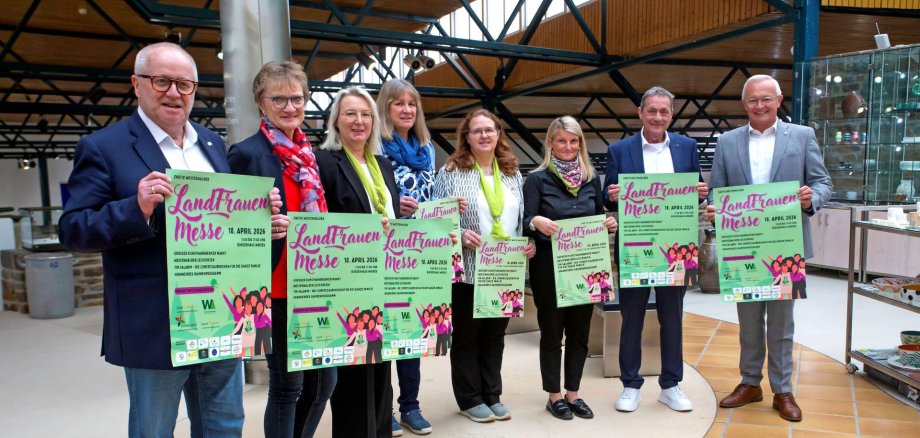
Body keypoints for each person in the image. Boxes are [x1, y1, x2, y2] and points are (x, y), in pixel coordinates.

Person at [58, 42, 287, 438]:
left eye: (185, 84)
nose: (174, 93)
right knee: (154, 429)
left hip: (222, 315)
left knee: (225, 425)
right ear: (137, 84)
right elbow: (74, 228)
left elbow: (223, 228)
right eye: (162, 81)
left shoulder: (212, 145)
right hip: (154, 322)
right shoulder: (104, 147)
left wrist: (258, 222)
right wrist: (137, 207)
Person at [704, 74, 832, 422]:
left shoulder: (802, 136)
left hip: (784, 247)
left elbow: (822, 182)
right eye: (752, 100)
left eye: (765, 99)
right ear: (744, 105)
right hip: (743, 247)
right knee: (747, 322)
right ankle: (749, 382)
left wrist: (810, 199)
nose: (759, 106)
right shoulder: (728, 141)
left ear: (778, 100)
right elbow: (717, 190)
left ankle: (782, 389)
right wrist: (715, 208)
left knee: (781, 323)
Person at [227, 60, 335, 438]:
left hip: (315, 284)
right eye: (279, 99)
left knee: (325, 382)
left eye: (297, 98)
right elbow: (229, 224)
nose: (290, 107)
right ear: (261, 103)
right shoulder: (246, 153)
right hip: (275, 289)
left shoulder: (312, 157)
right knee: (288, 385)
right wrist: (261, 222)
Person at [603, 86, 708, 413]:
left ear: (671, 114)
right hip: (636, 246)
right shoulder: (620, 150)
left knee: (672, 318)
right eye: (652, 111)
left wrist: (702, 193)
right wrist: (613, 194)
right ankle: (630, 384)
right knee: (631, 317)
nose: (658, 117)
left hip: (676, 247)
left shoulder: (687, 147)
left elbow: (696, 194)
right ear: (640, 113)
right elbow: (606, 196)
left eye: (664, 111)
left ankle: (671, 384)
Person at [432, 109, 536, 423]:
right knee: (467, 336)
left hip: (504, 270)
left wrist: (526, 241)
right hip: (468, 269)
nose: (483, 136)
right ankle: (469, 398)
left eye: (489, 130)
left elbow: (519, 218)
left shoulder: (512, 172)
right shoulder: (451, 171)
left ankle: (492, 394)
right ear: (466, 137)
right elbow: (437, 218)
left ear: (498, 133)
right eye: (476, 131)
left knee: (494, 336)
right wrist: (459, 234)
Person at [315, 86, 399, 438]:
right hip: (348, 284)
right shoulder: (324, 163)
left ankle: (380, 431)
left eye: (366, 115)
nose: (359, 121)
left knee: (381, 369)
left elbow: (389, 214)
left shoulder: (383, 165)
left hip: (388, 279)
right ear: (336, 120)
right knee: (352, 374)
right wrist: (367, 228)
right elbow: (320, 225)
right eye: (350, 113)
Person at [522, 116, 618, 421]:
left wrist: (608, 223)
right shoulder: (536, 179)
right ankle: (553, 395)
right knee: (552, 335)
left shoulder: (591, 178)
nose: (567, 146)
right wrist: (534, 222)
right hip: (548, 269)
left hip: (585, 268)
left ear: (580, 144)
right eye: (561, 140)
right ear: (550, 143)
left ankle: (573, 392)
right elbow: (524, 222)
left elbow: (596, 216)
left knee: (580, 334)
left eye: (573, 141)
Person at [375, 78, 434, 436]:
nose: (407, 110)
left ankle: (410, 405)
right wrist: (393, 207)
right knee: (383, 333)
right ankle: (384, 409)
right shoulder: (377, 147)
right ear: (386, 107)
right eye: (399, 103)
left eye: (412, 104)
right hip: (385, 251)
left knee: (412, 331)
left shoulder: (426, 150)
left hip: (420, 251)